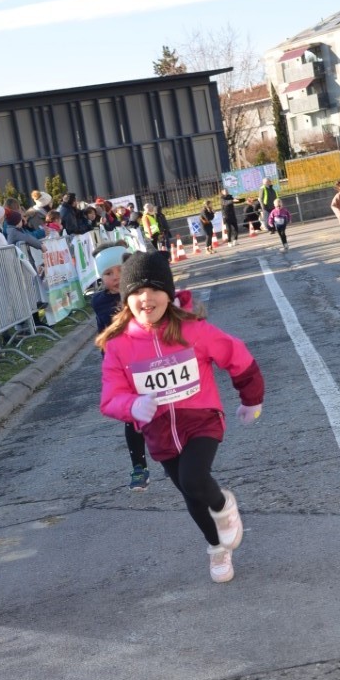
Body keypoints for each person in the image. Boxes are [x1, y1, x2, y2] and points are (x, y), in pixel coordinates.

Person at [97, 250, 264, 583]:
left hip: (201, 419)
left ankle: (224, 506)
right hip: (159, 432)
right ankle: (217, 546)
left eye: (155, 289)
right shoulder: (118, 345)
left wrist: (251, 399)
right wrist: (132, 405)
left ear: (169, 293)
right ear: (126, 298)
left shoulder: (191, 329)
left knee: (193, 478)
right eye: (137, 291)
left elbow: (236, 355)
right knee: (190, 495)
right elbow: (110, 396)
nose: (147, 298)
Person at [91, 243, 150, 491]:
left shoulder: (143, 293)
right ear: (100, 278)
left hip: (149, 361)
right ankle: (139, 467)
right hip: (122, 367)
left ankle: (179, 454)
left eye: (120, 271)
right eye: (108, 273)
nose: (115, 277)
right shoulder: (100, 302)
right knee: (132, 417)